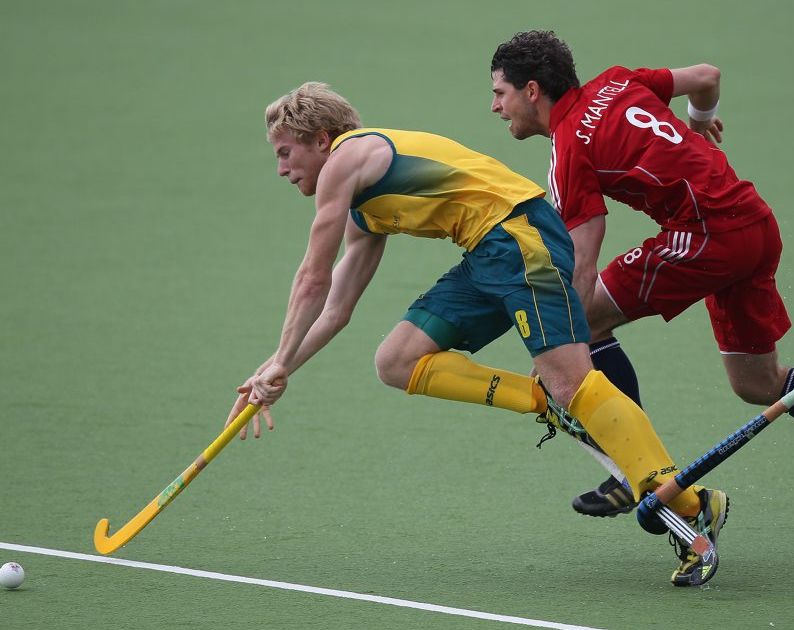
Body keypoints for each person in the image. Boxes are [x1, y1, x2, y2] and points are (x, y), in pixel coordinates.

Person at [225, 81, 728, 586]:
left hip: (520, 236)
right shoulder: (363, 205)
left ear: (321, 138)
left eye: (286, 152)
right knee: (396, 360)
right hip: (488, 252)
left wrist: (279, 359)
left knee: (572, 381)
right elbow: (335, 306)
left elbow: (312, 277)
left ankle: (691, 504)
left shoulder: (345, 159)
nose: (282, 169)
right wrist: (280, 367)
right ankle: (541, 400)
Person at [488, 31, 794, 571]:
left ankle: (634, 469)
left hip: (707, 237)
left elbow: (584, 262)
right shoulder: (618, 81)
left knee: (582, 320)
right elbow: (706, 77)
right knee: (756, 382)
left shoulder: (569, 150)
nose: (496, 105)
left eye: (500, 93)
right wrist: (700, 120)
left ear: (534, 90)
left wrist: (561, 348)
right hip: (754, 222)